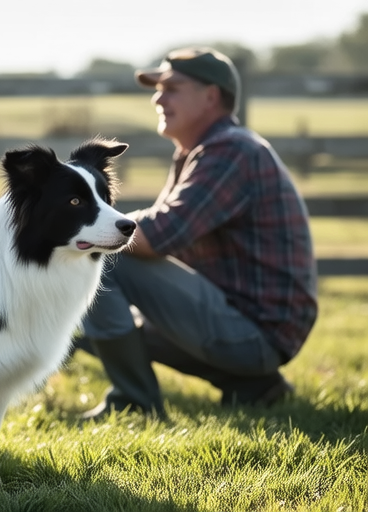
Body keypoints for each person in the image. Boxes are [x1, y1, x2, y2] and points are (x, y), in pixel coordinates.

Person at [76, 47, 318, 420]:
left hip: (255, 333)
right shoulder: (202, 151)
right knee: (81, 324)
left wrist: (75, 229)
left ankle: (136, 403)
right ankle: (255, 386)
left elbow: (153, 237)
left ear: (211, 96)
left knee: (103, 256)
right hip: (248, 325)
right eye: (157, 88)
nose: (158, 97)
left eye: (172, 87)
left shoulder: (231, 150)